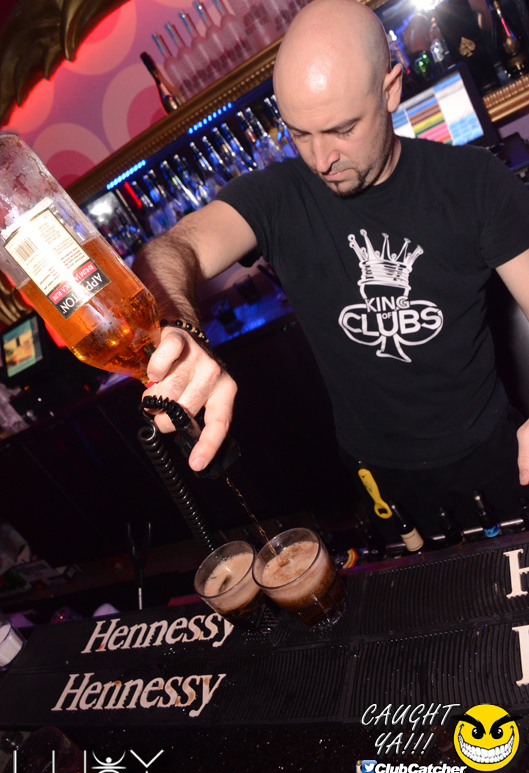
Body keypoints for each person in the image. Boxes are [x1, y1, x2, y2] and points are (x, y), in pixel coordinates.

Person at [134, 0, 529, 537]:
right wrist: (179, 324)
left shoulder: (475, 182)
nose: (321, 160)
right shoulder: (278, 196)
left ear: (390, 91)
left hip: (492, 453)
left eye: (343, 129)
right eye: (300, 133)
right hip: (375, 474)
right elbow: (169, 249)